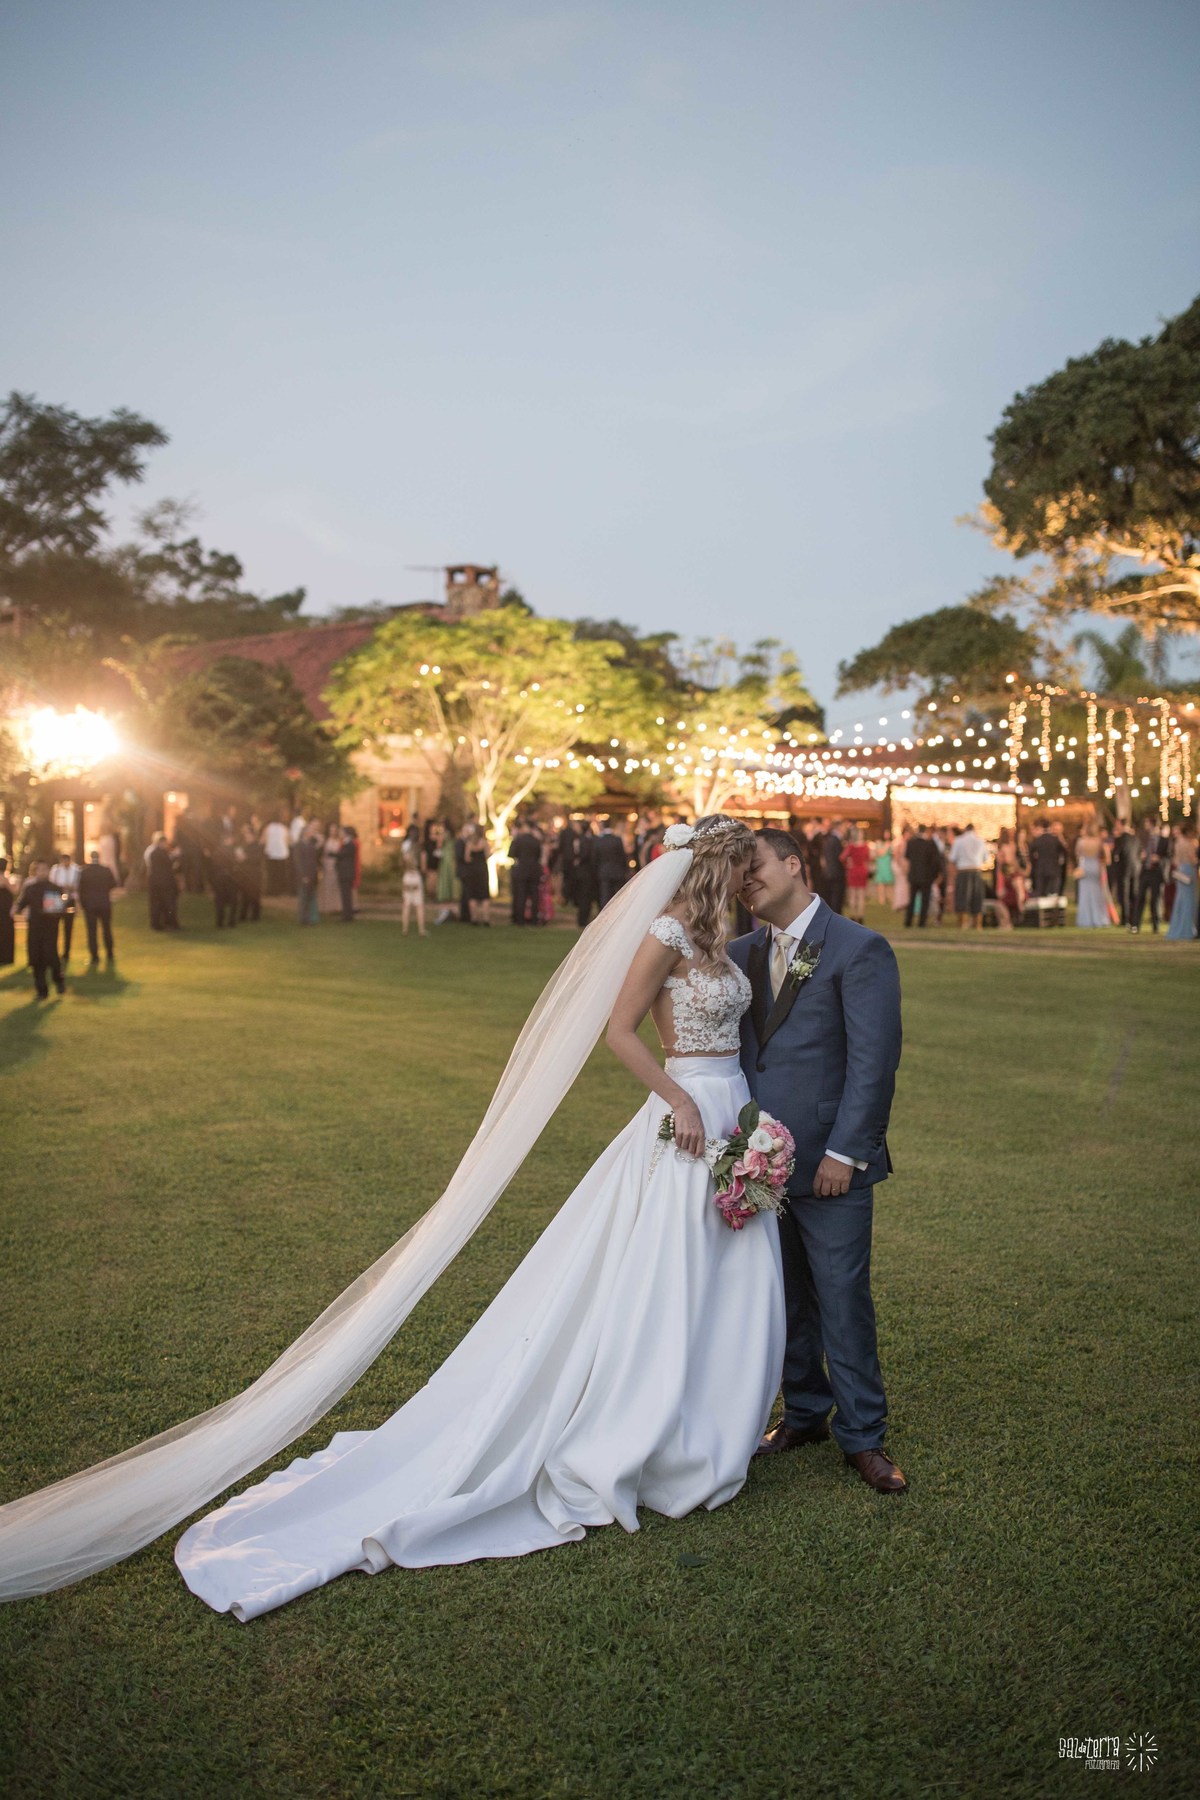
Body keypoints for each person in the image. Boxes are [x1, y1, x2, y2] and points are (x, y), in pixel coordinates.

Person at [731, 827, 905, 1493]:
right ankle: (804, 1411)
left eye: (756, 870)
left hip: (832, 1168)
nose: (747, 883)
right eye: (740, 877)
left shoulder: (859, 948)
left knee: (841, 1298)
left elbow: (873, 1061)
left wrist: (846, 1153)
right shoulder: (740, 953)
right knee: (783, 1300)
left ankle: (864, 1436)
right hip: (757, 1165)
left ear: (795, 864)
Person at [14, 862, 66, 999]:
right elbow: (22, 902)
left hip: (50, 928)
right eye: (39, 870)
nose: (42, 872)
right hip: (34, 927)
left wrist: (53, 910)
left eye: (45, 869)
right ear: (35, 872)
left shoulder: (54, 888)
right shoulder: (30, 888)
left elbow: (57, 910)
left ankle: (58, 980)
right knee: (36, 958)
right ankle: (41, 990)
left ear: (48, 871)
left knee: (51, 956)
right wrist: (15, 909)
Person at [77, 850, 118, 964]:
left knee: (92, 931)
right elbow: (113, 884)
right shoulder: (106, 870)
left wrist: (83, 903)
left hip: (90, 905)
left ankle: (94, 956)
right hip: (104, 903)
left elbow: (80, 889)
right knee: (107, 929)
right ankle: (110, 952)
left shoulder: (84, 872)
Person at [947, 821, 989, 930]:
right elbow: (986, 858)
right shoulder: (980, 841)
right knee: (977, 897)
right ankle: (977, 924)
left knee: (962, 897)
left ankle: (962, 924)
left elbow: (952, 859)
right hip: (976, 871)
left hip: (963, 871)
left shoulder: (959, 841)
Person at [1130, 820, 1170, 934]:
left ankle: (1155, 925)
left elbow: (1168, 857)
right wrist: (1141, 856)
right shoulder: (1144, 839)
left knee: (1155, 900)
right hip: (1145, 872)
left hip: (1156, 873)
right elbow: (1136, 853)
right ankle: (1136, 925)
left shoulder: (1164, 841)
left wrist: (1159, 859)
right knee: (1140, 898)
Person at [1074, 819, 1112, 928]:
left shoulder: (1081, 842)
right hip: (1096, 867)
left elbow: (1077, 855)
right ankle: (1099, 918)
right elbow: (1107, 858)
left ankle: (1085, 919)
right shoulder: (1099, 842)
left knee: (1085, 893)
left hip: (1085, 867)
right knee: (1097, 893)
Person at [904, 825, 941, 927]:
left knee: (912, 900)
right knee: (925, 901)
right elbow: (935, 862)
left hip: (914, 875)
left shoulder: (911, 843)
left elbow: (907, 856)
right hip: (926, 877)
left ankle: (908, 921)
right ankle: (922, 922)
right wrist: (934, 874)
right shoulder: (930, 844)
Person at [48, 852, 82, 963]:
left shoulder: (76, 870)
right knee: (54, 927)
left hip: (70, 900)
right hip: (58, 900)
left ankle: (66, 953)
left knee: (68, 927)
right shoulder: (56, 870)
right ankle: (53, 952)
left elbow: (79, 885)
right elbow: (51, 884)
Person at [509, 817, 543, 926]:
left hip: (521, 870)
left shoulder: (518, 840)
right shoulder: (536, 841)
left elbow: (511, 854)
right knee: (534, 896)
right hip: (534, 870)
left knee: (521, 895)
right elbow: (539, 855)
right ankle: (534, 919)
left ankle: (520, 919)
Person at [1166, 825, 1198, 939]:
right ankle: (1187, 929)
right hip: (1189, 871)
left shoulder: (1177, 844)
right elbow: (1192, 859)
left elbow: (1175, 860)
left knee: (1180, 901)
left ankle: (1176, 929)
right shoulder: (1190, 844)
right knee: (1189, 902)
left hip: (1180, 871)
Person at [594, 817, 631, 911]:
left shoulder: (599, 840)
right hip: (617, 871)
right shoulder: (617, 839)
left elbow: (595, 858)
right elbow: (622, 856)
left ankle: (605, 915)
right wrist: (625, 869)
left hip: (604, 871)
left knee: (605, 896)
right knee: (617, 895)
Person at [146, 834, 179, 931]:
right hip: (164, 882)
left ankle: (155, 923)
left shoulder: (152, 853)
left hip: (154, 881)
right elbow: (168, 864)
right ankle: (169, 923)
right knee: (168, 903)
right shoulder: (161, 853)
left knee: (156, 903)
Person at [1109, 821, 1139, 927]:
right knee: (1133, 895)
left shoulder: (1120, 839)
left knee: (1124, 895)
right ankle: (1133, 918)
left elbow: (1116, 855)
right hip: (1135, 870)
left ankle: (1125, 919)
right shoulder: (1135, 839)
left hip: (1123, 870)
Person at [1029, 819, 1067, 900]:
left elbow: (1030, 853)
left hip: (1040, 869)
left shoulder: (1037, 840)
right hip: (1054, 869)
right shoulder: (1055, 840)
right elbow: (1064, 851)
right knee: (1052, 892)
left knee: (1041, 893)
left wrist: (1035, 862)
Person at [400, 825, 427, 937]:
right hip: (416, 876)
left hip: (407, 876)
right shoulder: (420, 848)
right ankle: (421, 929)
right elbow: (424, 866)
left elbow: (401, 862)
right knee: (419, 905)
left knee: (406, 904)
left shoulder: (404, 847)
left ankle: (404, 929)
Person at [839, 827, 872, 922]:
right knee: (861, 895)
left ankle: (853, 915)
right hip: (862, 870)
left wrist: (848, 864)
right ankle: (860, 916)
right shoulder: (866, 846)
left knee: (853, 894)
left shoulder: (851, 846)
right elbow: (868, 859)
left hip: (852, 870)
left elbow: (842, 858)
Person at [462, 824, 492, 925]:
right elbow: (487, 855)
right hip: (482, 870)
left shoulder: (469, 843)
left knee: (472, 895)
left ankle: (474, 918)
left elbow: (467, 858)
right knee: (484, 895)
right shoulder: (484, 843)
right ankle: (486, 919)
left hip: (472, 870)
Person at [235, 826, 264, 922]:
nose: (247, 838)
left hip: (254, 875)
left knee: (255, 896)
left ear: (253, 836)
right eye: (246, 836)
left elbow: (257, 859)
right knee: (244, 896)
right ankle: (243, 915)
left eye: (248, 836)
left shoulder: (257, 846)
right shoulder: (244, 846)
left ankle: (255, 916)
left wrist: (246, 858)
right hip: (245, 874)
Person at [433, 820, 459, 925]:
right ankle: (452, 912)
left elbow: (439, 845)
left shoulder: (444, 835)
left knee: (445, 884)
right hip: (452, 862)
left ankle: (445, 912)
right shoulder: (453, 837)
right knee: (451, 884)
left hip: (446, 862)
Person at [294, 829, 321, 926]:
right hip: (304, 875)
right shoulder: (298, 845)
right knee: (304, 897)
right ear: (305, 833)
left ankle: (309, 918)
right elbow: (298, 862)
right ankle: (303, 918)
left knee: (310, 897)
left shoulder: (311, 844)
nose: (312, 834)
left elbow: (315, 860)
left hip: (312, 874)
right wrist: (303, 876)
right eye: (310, 832)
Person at [821, 822, 846, 915]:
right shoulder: (835, 840)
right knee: (836, 897)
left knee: (831, 896)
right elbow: (839, 856)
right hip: (836, 872)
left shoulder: (829, 839)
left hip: (829, 871)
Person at [335, 826, 359, 921]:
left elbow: (343, 855)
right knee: (345, 895)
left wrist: (331, 854)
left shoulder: (350, 844)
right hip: (345, 872)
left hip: (346, 873)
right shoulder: (346, 843)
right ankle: (347, 914)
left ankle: (347, 915)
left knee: (346, 895)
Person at [262, 817, 290, 896]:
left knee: (271, 873)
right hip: (282, 854)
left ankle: (270, 891)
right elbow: (287, 840)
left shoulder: (268, 828)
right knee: (280, 874)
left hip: (270, 854)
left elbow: (264, 839)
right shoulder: (284, 828)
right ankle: (279, 891)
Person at [0, 856, 15, 966]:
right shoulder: (4, 878)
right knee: (6, 933)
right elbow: (14, 891)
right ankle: (6, 957)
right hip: (5, 911)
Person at [871, 836, 893, 908]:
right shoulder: (878, 843)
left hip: (888, 867)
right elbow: (880, 853)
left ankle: (890, 899)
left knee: (889, 885)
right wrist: (887, 846)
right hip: (880, 867)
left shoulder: (889, 844)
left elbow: (894, 853)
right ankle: (881, 901)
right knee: (880, 884)